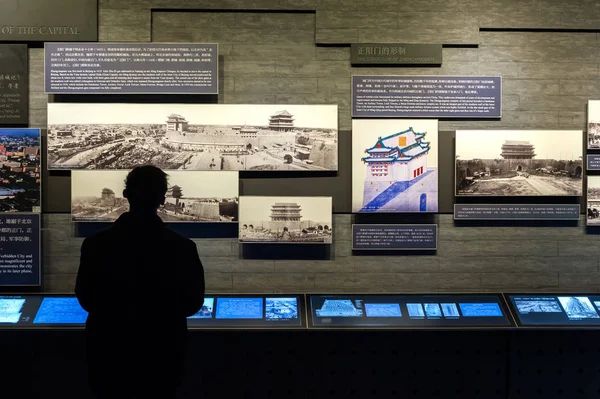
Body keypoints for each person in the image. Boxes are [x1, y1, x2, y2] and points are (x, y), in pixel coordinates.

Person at [75, 165, 205, 399]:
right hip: (162, 350)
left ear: (126, 194)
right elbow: (193, 302)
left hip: (110, 350)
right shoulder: (182, 247)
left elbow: (86, 298)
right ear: (162, 198)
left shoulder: (96, 244)